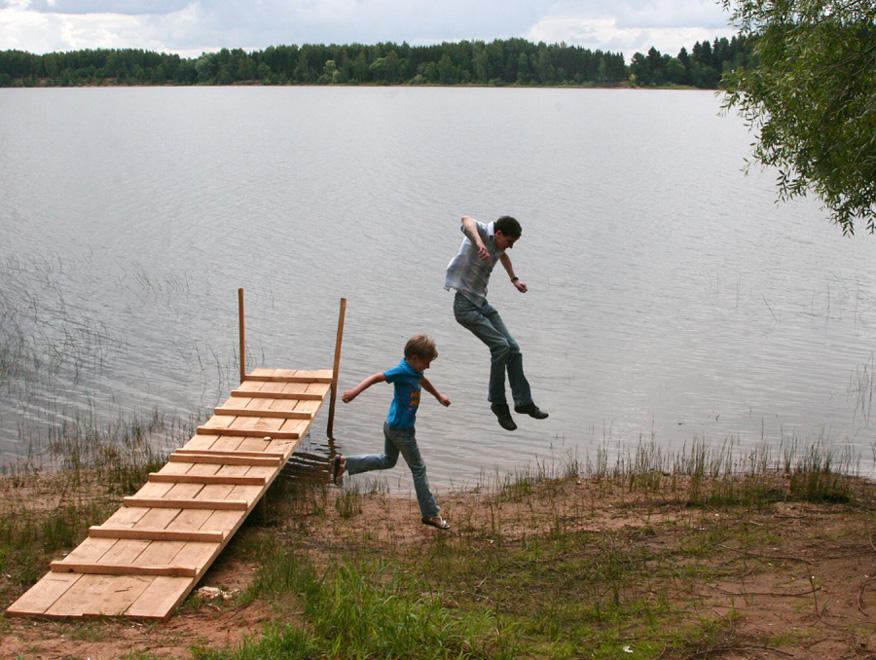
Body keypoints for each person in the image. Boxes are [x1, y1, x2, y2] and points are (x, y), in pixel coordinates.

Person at [333, 334, 452, 530]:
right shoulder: (402, 371)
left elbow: (423, 380)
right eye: (426, 362)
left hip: (392, 426)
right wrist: (355, 392)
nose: (428, 367)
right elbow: (376, 377)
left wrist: (439, 396)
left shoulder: (413, 371)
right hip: (401, 431)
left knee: (388, 460)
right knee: (419, 469)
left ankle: (345, 463)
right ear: (414, 358)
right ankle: (430, 514)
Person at [444, 215, 548, 431]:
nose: (510, 246)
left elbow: (503, 256)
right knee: (500, 346)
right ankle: (498, 404)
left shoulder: (500, 246)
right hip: (465, 307)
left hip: (481, 304)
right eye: (509, 241)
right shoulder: (481, 232)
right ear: (498, 234)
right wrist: (480, 243)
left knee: (514, 349)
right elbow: (466, 220)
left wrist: (514, 279)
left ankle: (523, 402)